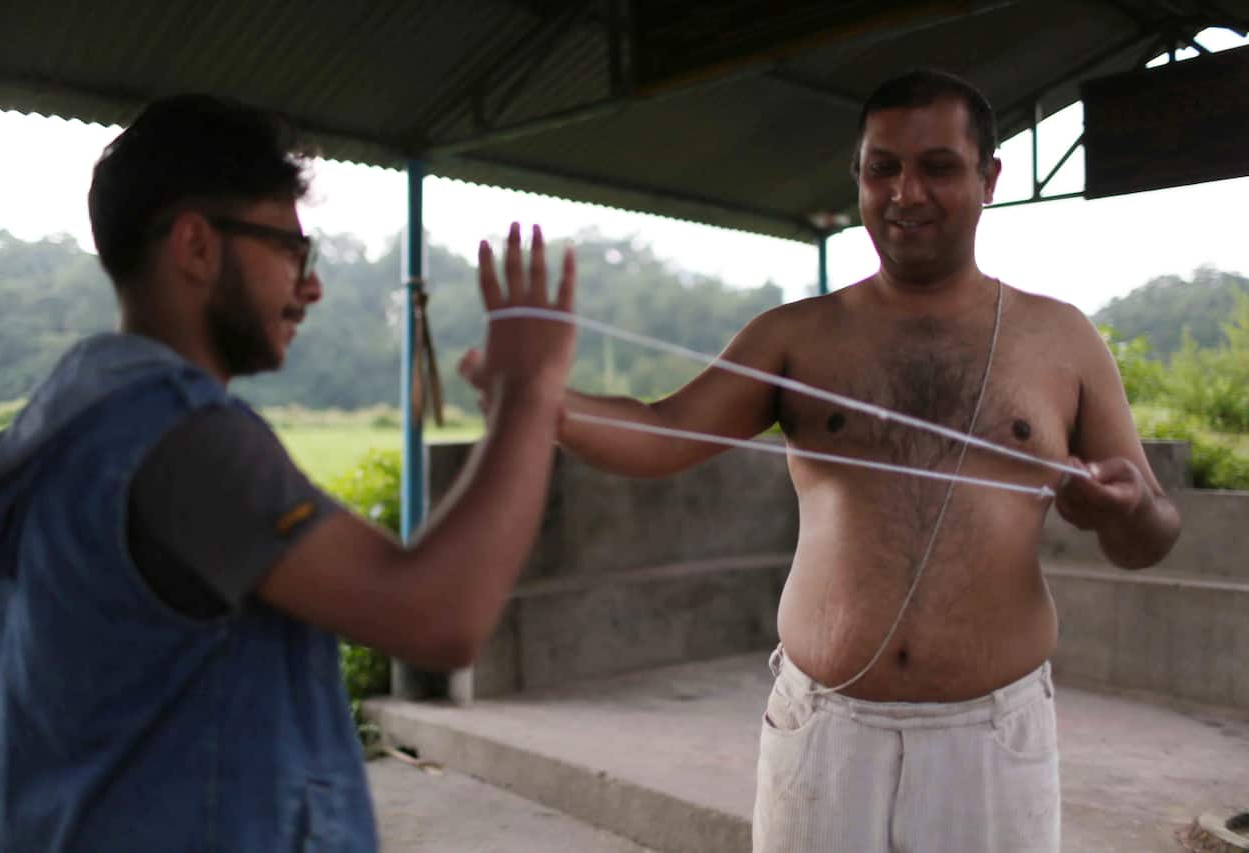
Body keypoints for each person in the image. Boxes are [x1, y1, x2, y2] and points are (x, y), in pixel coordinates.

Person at [460, 69, 1181, 852]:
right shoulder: (795, 335)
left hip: (992, 739)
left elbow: (1151, 534)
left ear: (990, 178)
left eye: (937, 166)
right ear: (860, 178)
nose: (906, 192)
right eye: (882, 168)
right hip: (826, 729)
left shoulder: (1061, 339)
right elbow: (664, 432)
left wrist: (1131, 508)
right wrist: (543, 403)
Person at [0, 94, 576, 851]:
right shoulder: (185, 442)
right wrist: (529, 393)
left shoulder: (56, 433)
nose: (311, 285)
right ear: (195, 246)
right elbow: (437, 616)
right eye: (291, 250)